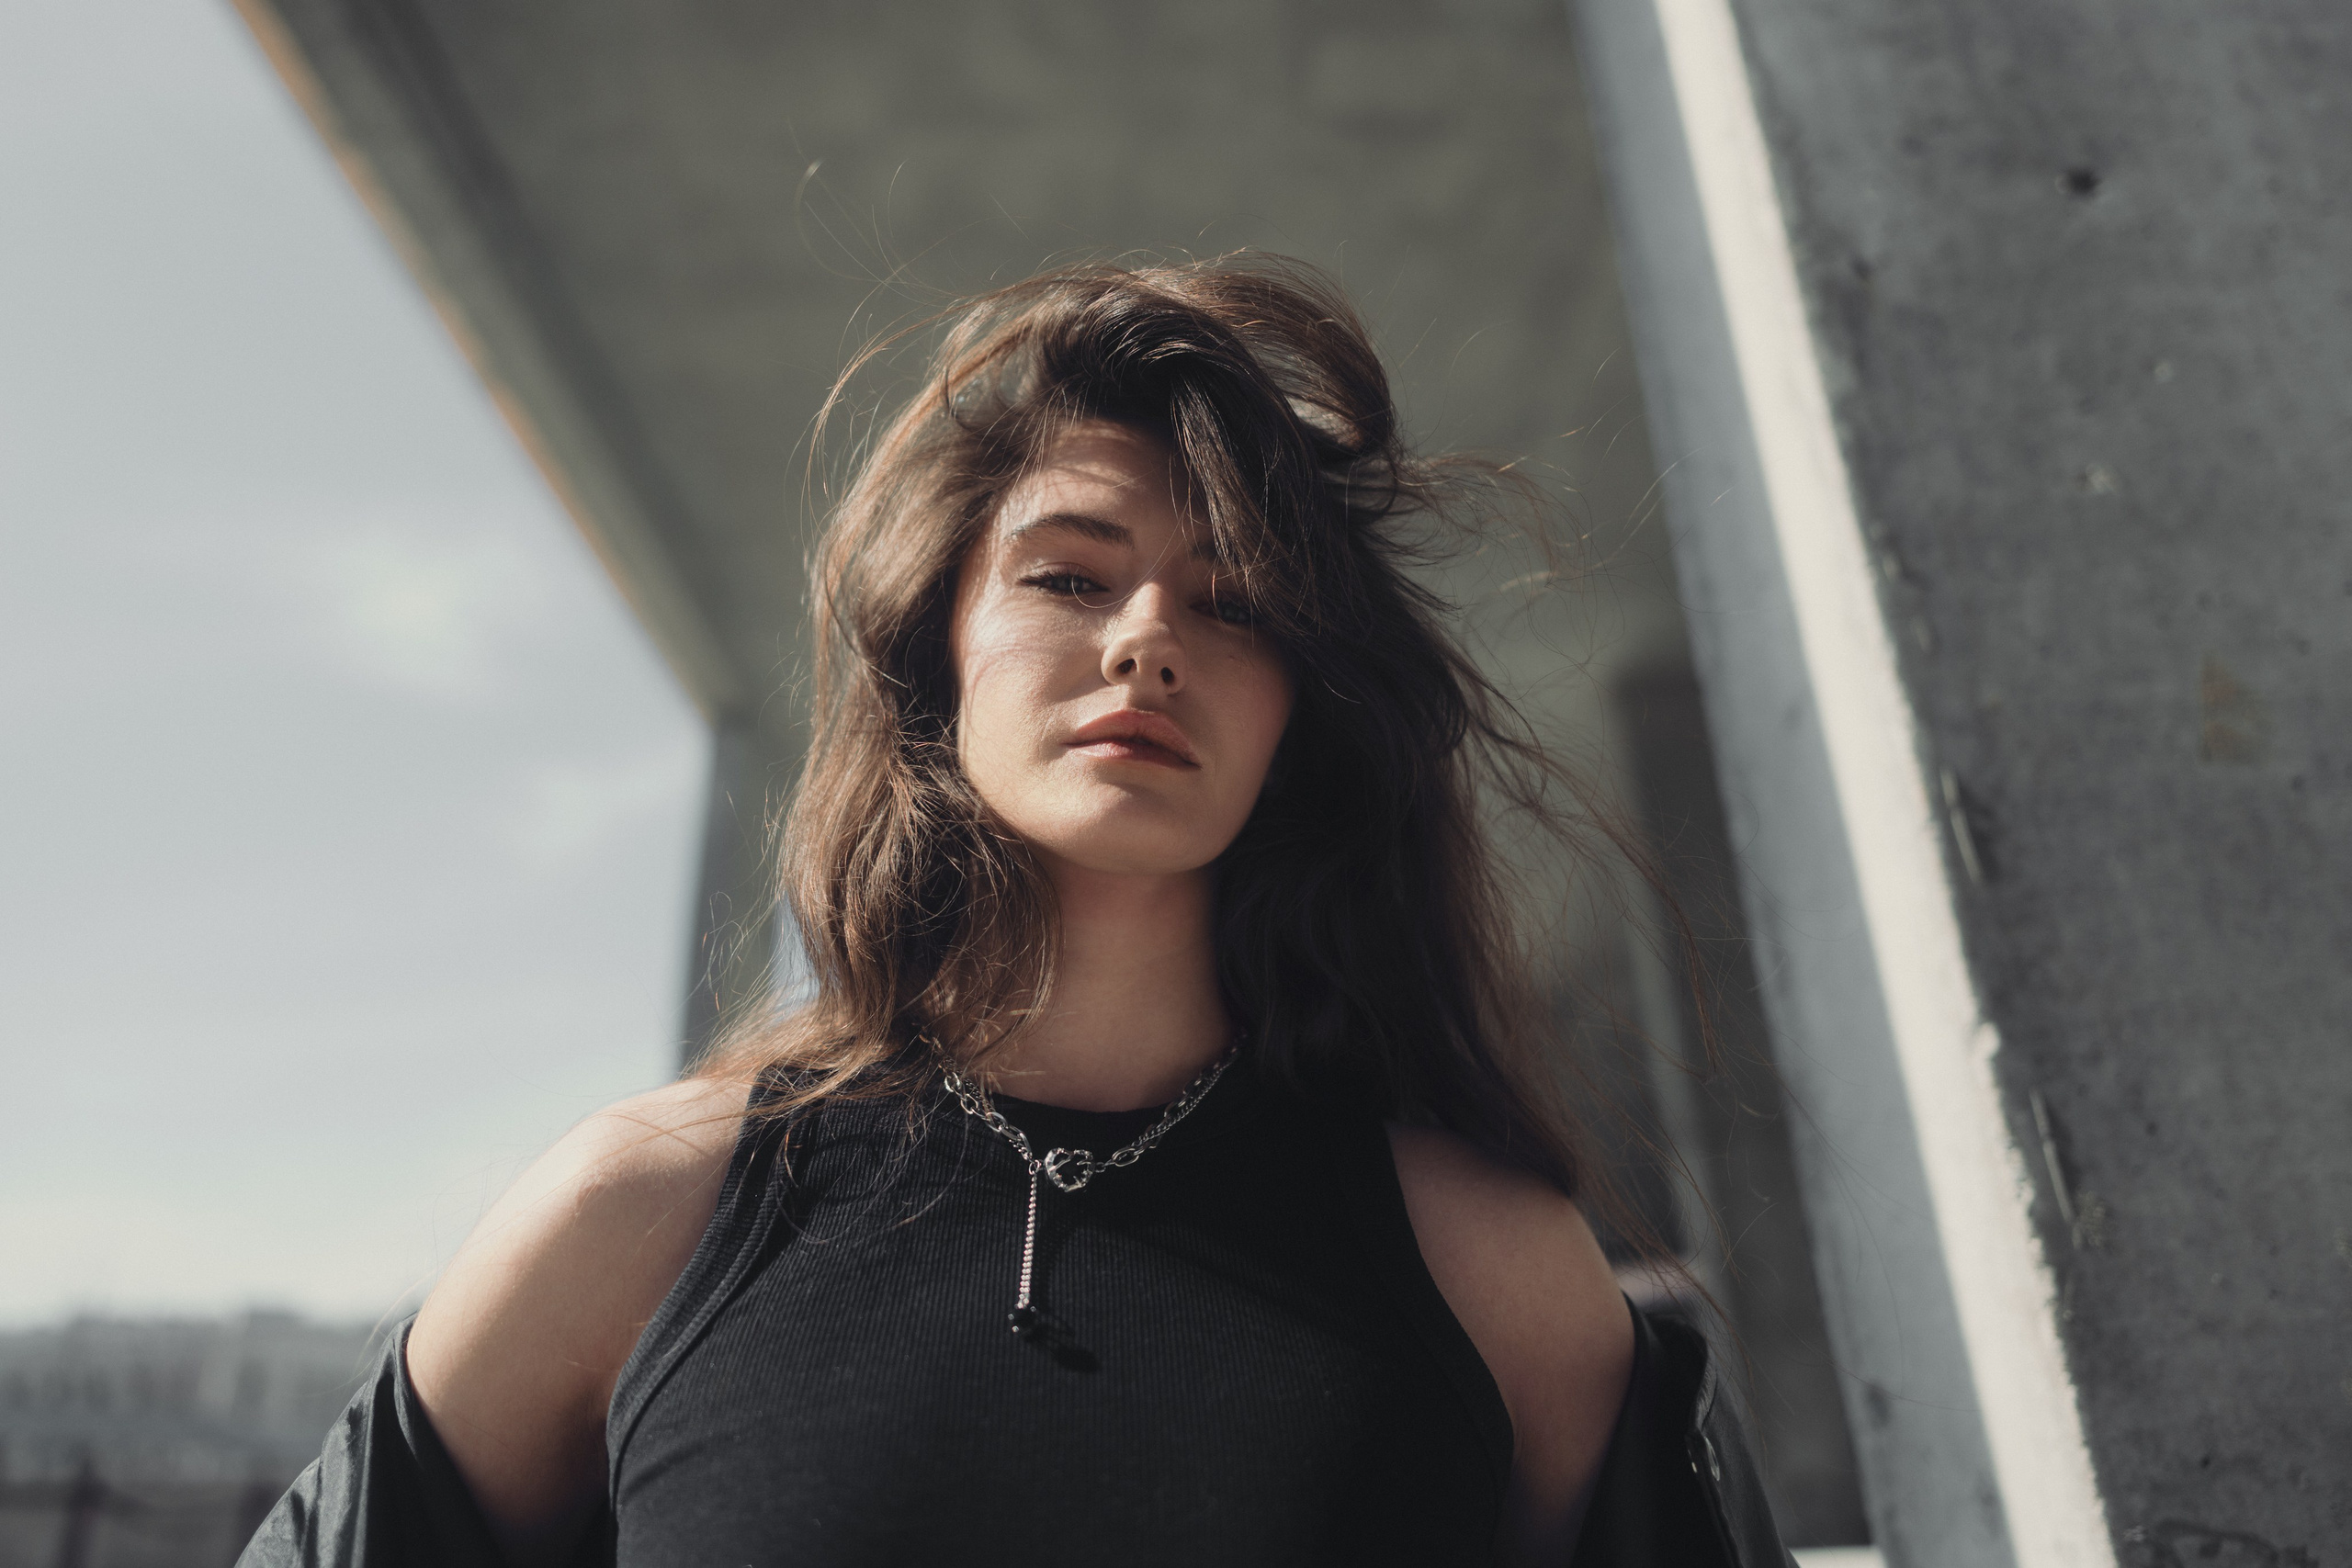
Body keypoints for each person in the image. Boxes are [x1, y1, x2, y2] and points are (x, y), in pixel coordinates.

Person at [240, 257, 1792, 1567]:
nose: (1147, 644)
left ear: (1298, 718)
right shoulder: (646, 1214)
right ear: (938, 657)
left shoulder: (1488, 1264)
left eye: (1234, 602)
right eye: (1067, 576)